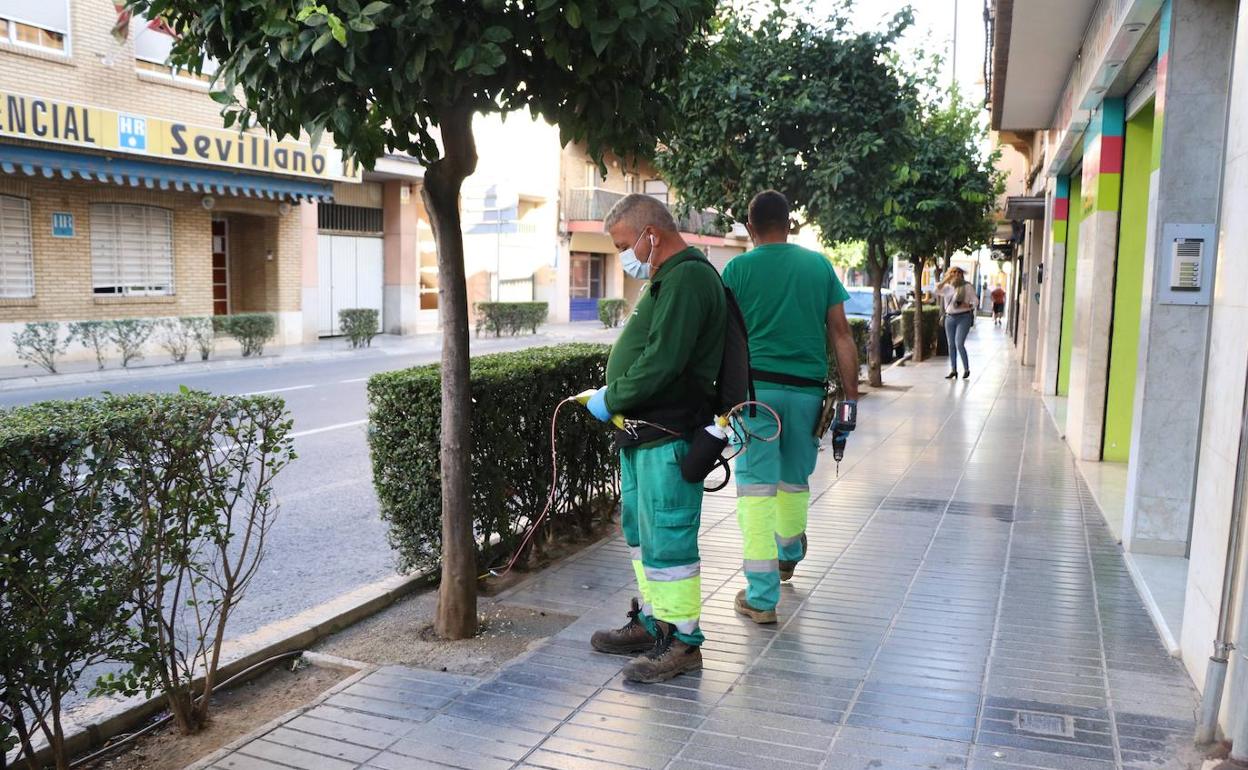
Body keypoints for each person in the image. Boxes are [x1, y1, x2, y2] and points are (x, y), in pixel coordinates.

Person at [583, 193, 726, 683]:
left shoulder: (687, 277)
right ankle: (655, 622)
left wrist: (613, 396)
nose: (626, 256)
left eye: (626, 245)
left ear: (652, 236)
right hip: (644, 437)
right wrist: (617, 395)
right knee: (644, 538)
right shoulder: (668, 279)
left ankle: (684, 643)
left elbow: (664, 362)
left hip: (669, 437)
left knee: (670, 543)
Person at [721, 190, 860, 624]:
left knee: (757, 490)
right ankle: (789, 551)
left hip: (756, 395)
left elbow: (721, 338)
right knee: (794, 478)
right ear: (789, 223)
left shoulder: (737, 269)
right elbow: (841, 334)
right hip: (806, 395)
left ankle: (761, 598)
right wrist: (850, 399)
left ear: (750, 226)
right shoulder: (818, 265)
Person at [938, 266, 978, 380]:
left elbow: (976, 301)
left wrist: (969, 305)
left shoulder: (967, 286)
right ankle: (953, 370)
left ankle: (966, 369)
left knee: (959, 343)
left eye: (959, 272)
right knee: (951, 345)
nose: (956, 274)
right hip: (949, 318)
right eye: (953, 272)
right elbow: (936, 290)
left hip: (963, 317)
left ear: (962, 274)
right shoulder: (947, 287)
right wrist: (946, 279)